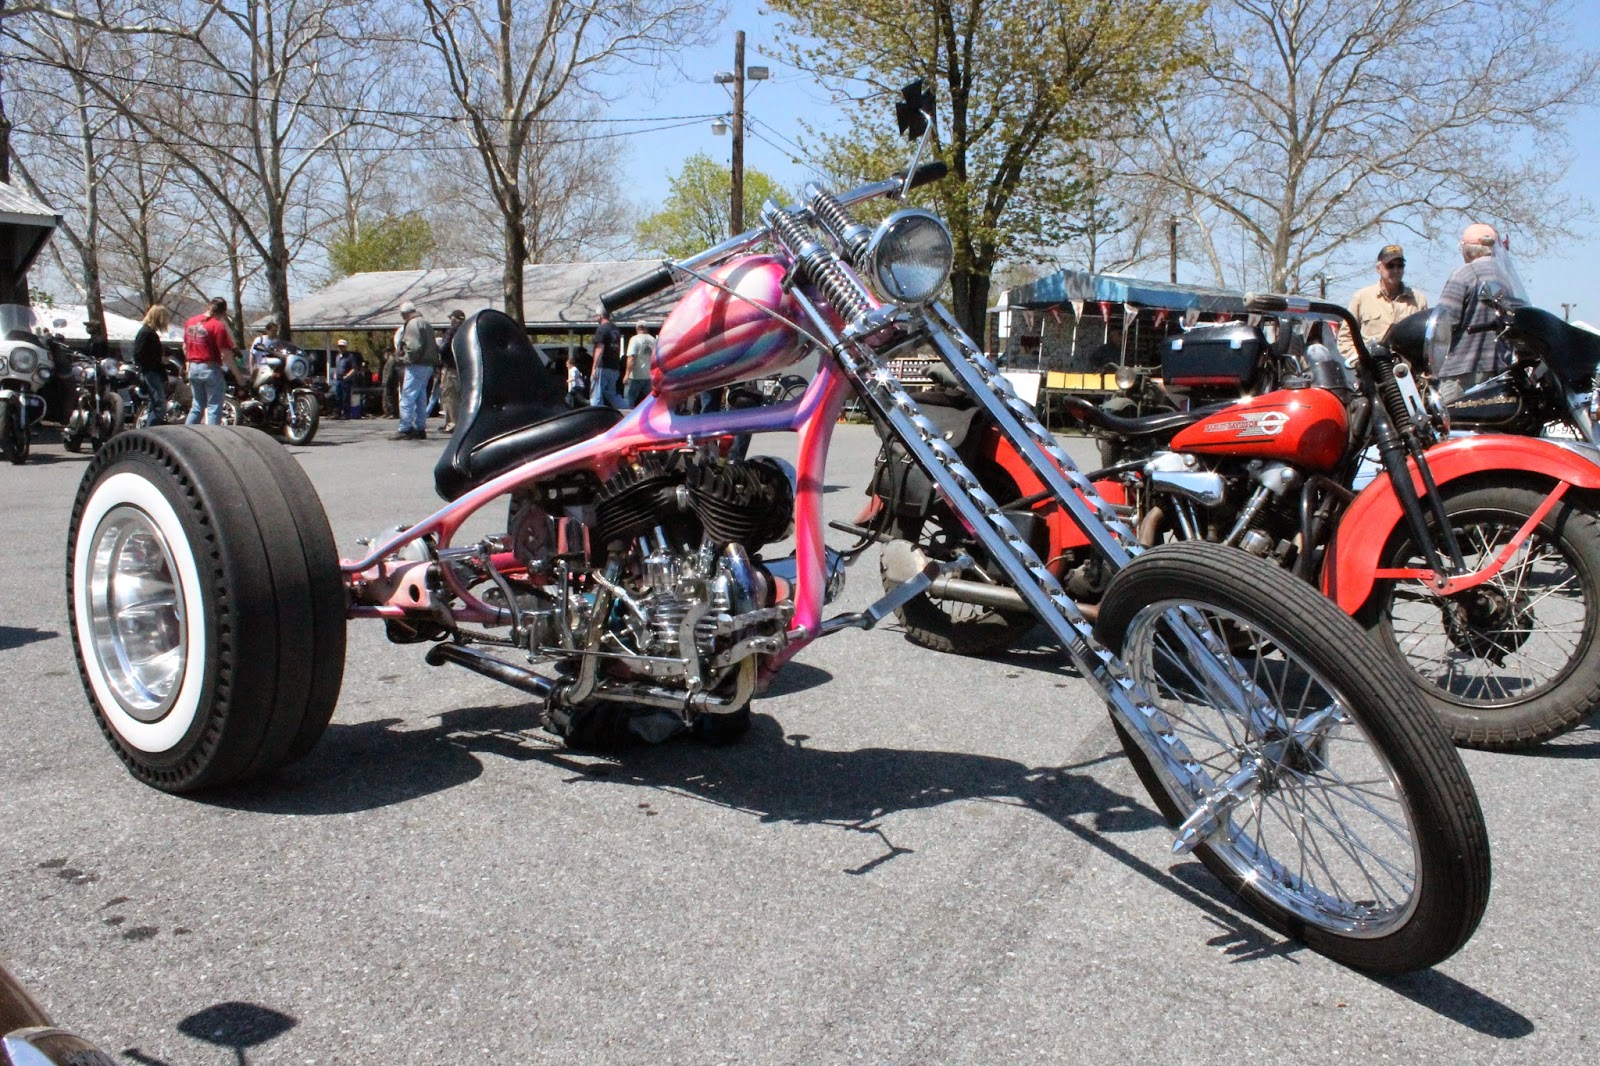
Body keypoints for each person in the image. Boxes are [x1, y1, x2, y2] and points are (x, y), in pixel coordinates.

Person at [1435, 222, 1514, 401]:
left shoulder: (1463, 275)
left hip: (1461, 371)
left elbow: (1444, 323)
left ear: (1468, 249)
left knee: (1451, 424)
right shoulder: (1506, 279)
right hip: (1499, 370)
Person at [1338, 244, 1428, 365]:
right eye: (1390, 266)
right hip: (1372, 372)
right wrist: (1359, 360)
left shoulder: (1418, 300)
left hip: (1408, 374)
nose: (1396, 270)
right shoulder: (1361, 298)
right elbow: (1345, 338)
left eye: (1400, 266)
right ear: (1378, 268)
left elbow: (1426, 341)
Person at [183, 297, 245, 425]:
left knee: (197, 406)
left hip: (193, 367)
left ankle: (186, 437)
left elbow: (185, 347)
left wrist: (188, 365)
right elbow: (226, 354)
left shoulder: (190, 322)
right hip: (210, 369)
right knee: (213, 407)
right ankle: (212, 437)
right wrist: (238, 376)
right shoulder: (217, 326)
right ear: (222, 312)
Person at [392, 301, 439, 440]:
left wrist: (403, 360)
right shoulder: (426, 323)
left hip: (417, 365)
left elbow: (414, 347)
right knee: (421, 398)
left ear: (405, 313)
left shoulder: (413, 324)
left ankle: (405, 428)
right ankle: (420, 427)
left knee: (407, 397)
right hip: (428, 365)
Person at [131, 304, 171, 427]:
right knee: (159, 404)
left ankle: (150, 427)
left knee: (155, 403)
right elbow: (138, 353)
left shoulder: (148, 332)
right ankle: (151, 430)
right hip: (151, 372)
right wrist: (156, 362)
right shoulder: (146, 333)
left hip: (152, 371)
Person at [589, 310, 626, 408]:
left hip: (603, 367)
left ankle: (596, 419)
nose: (595, 318)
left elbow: (599, 349)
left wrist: (594, 368)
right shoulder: (616, 329)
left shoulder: (602, 329)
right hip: (614, 367)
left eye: (596, 316)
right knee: (612, 395)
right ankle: (628, 412)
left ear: (600, 316)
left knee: (596, 395)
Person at [438, 308, 465, 432]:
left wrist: (440, 354)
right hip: (462, 367)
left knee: (450, 396)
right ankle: (457, 422)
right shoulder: (467, 331)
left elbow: (444, 348)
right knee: (459, 397)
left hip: (451, 368)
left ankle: (452, 424)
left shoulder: (452, 331)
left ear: (454, 319)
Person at [623, 326, 655, 407]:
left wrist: (627, 375)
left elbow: (631, 357)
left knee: (629, 400)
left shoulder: (634, 339)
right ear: (647, 329)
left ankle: (628, 418)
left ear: (637, 329)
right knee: (650, 402)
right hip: (649, 376)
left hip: (635, 377)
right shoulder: (653, 340)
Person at [331, 339, 362, 419]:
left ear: (345, 347)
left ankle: (346, 414)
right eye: (339, 347)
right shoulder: (338, 356)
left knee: (346, 397)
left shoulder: (350, 357)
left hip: (346, 380)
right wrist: (335, 373)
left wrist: (347, 376)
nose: (340, 348)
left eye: (342, 346)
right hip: (338, 379)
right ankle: (337, 413)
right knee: (337, 397)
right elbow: (337, 366)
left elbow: (354, 368)